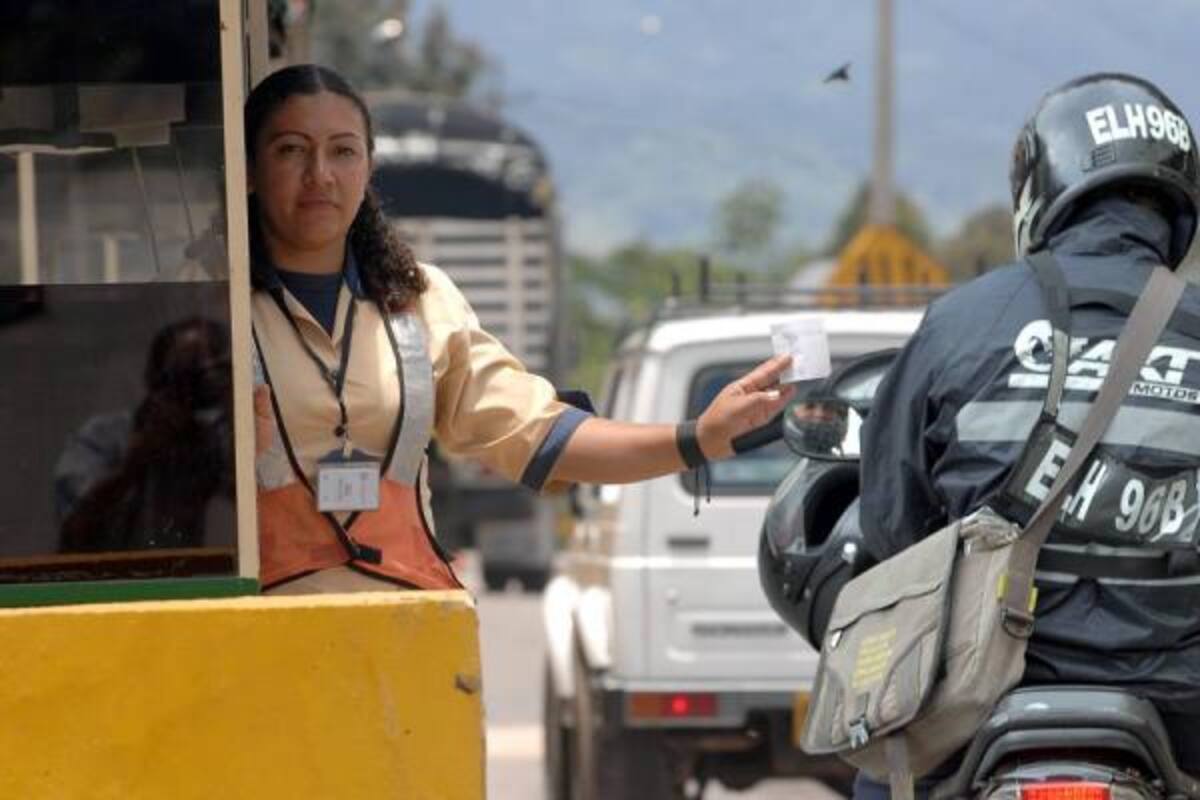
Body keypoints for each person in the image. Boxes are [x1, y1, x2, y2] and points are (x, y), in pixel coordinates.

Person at [245, 64, 794, 595]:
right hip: (254, 637)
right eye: (291, 150)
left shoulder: (418, 302)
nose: (321, 174)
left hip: (405, 629)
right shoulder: (219, 312)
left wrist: (698, 438)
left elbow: (541, 434)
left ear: (368, 169)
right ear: (247, 168)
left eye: (343, 151)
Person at [849, 72, 1200, 796]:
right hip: (1185, 706)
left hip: (979, 697)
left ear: (1046, 185)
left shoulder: (960, 324)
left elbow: (890, 525)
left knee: (883, 777)